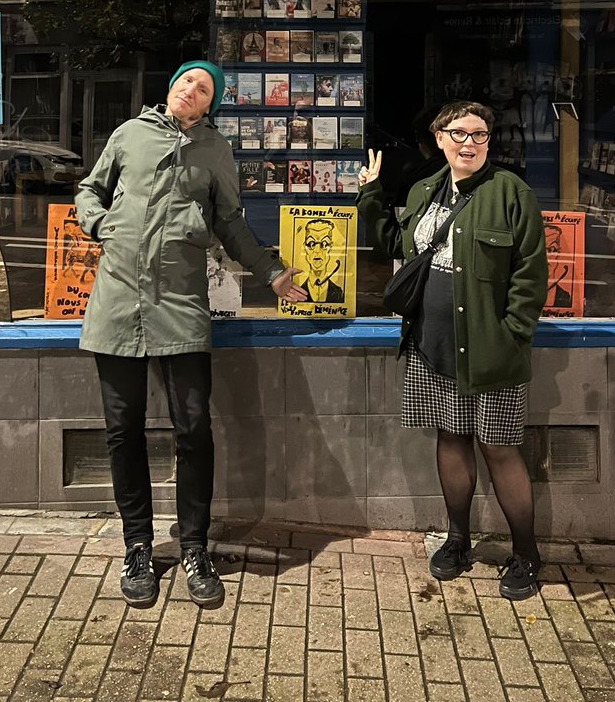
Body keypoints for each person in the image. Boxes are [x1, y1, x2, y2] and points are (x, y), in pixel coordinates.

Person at [76, 61, 306, 610]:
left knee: (194, 429)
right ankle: (137, 547)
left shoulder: (215, 151)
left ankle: (195, 546)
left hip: (180, 304)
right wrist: (100, 223)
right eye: (184, 81)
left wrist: (270, 271)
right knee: (121, 430)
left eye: (202, 88)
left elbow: (229, 220)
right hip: (116, 305)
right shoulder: (129, 134)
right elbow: (90, 189)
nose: (190, 90)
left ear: (210, 105)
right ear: (171, 87)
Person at [357, 100, 548, 600]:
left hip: (493, 350)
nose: (469, 142)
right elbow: (392, 243)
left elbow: (530, 274)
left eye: (480, 135)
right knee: (452, 439)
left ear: (490, 143)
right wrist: (371, 193)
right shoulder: (423, 190)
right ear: (440, 139)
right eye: (459, 133)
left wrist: (513, 333)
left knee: (500, 449)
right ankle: (458, 539)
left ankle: (526, 553)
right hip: (431, 343)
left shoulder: (511, 193)